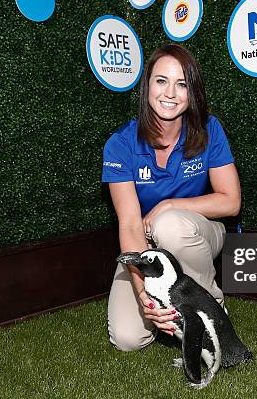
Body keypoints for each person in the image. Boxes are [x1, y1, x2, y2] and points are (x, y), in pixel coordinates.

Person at [101, 44, 241, 351]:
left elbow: (231, 202)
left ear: (192, 92)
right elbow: (129, 226)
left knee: (169, 224)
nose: (170, 93)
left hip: (198, 232)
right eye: (161, 81)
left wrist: (169, 205)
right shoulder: (120, 144)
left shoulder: (208, 129)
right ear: (147, 85)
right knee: (128, 339)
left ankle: (212, 314)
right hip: (147, 246)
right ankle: (169, 314)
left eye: (182, 84)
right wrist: (142, 294)